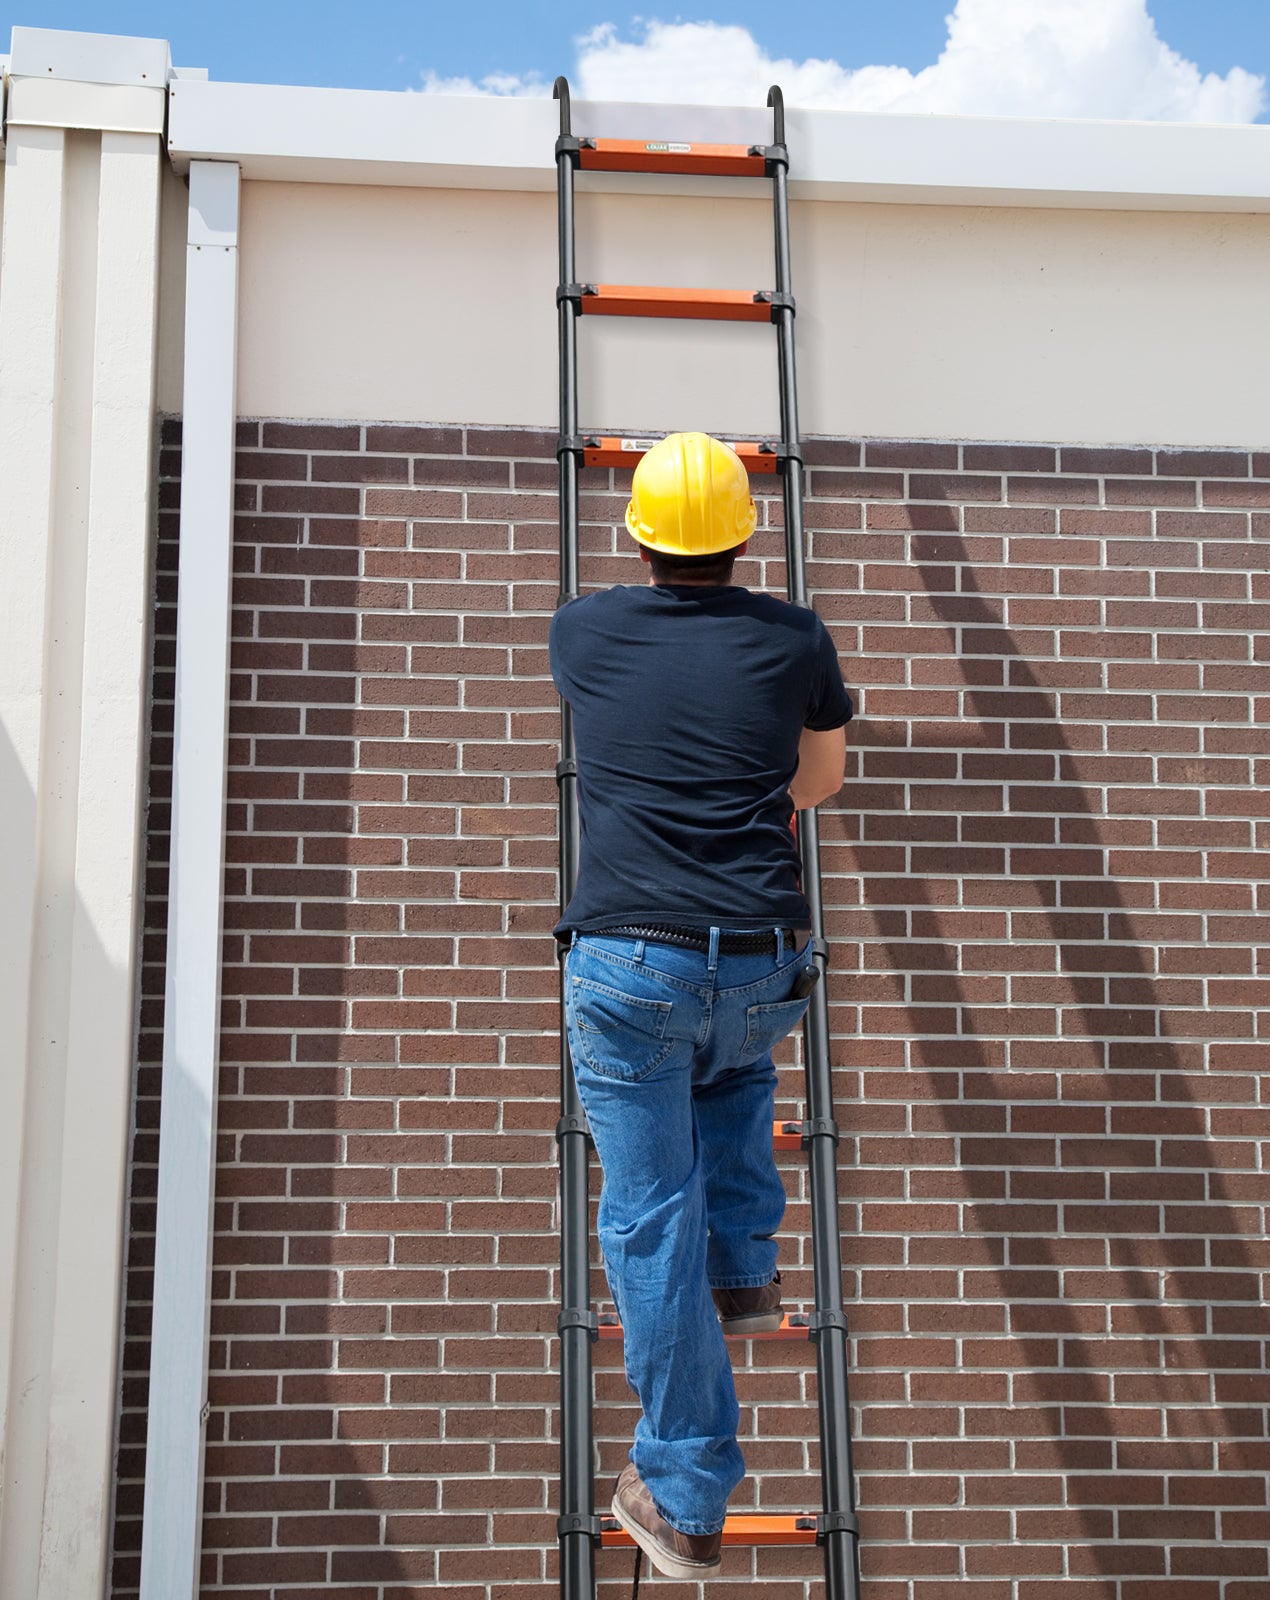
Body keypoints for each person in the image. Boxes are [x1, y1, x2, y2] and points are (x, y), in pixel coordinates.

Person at [549, 432, 852, 1581]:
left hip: (632, 967)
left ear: (636, 535)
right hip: (763, 959)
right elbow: (816, 784)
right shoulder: (795, 637)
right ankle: (742, 1269)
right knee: (732, 1063)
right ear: (743, 534)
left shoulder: (579, 631)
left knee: (643, 1215)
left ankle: (682, 1486)